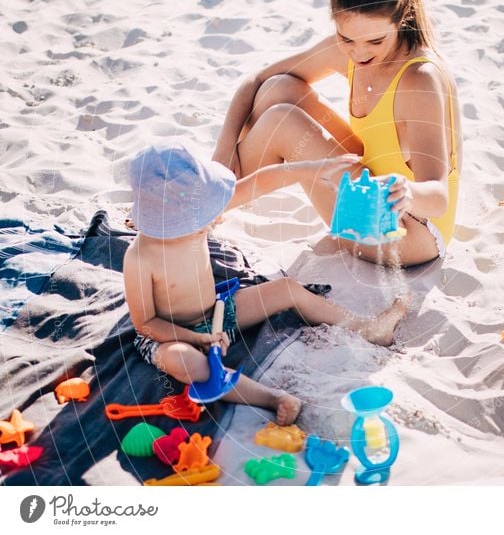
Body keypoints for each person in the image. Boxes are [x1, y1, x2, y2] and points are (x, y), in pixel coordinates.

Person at [123, 144, 408, 425]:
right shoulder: (140, 257)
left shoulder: (198, 216)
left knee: (286, 289)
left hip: (218, 315)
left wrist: (310, 169)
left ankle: (369, 329)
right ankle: (271, 397)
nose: (211, 217)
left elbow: (261, 182)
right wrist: (197, 339)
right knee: (187, 363)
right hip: (169, 335)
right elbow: (146, 323)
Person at [213, 0, 461, 267]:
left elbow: (438, 197)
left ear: (402, 19)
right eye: (347, 38)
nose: (359, 53)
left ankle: (201, 208)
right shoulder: (346, 50)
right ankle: (217, 188)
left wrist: (408, 191)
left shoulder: (419, 80)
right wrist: (223, 150)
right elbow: (257, 79)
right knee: (279, 89)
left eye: (375, 40)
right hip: (366, 183)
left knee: (282, 123)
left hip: (412, 230)